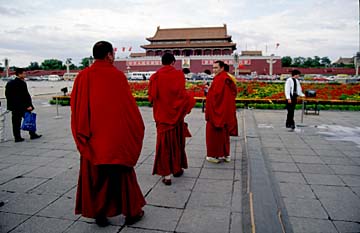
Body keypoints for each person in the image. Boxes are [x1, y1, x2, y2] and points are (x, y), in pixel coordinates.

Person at [71, 41, 146, 227]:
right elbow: (128, 110)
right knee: (123, 175)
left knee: (96, 177)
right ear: (109, 55)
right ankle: (131, 213)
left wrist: (84, 135)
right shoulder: (117, 76)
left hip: (92, 139)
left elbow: (77, 108)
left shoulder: (82, 76)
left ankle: (100, 214)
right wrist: (136, 129)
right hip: (115, 139)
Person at [148, 53, 195, 186]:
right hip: (177, 116)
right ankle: (177, 169)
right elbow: (182, 95)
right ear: (173, 62)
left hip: (162, 117)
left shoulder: (155, 77)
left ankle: (167, 175)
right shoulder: (179, 75)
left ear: (162, 62)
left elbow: (151, 97)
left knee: (164, 145)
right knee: (177, 142)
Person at [205, 61, 237, 163]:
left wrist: (208, 91)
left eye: (216, 68)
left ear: (222, 68)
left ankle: (213, 155)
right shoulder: (228, 78)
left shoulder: (219, 79)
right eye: (213, 68)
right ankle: (226, 155)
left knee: (213, 134)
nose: (214, 70)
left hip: (216, 112)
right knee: (224, 134)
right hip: (226, 112)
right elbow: (232, 93)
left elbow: (215, 97)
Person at [5, 68, 42, 142]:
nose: (25, 75)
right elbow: (25, 96)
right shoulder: (21, 83)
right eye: (24, 73)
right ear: (19, 74)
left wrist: (11, 105)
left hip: (15, 107)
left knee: (15, 122)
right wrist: (29, 105)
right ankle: (32, 134)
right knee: (29, 119)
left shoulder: (10, 83)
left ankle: (17, 137)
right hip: (23, 106)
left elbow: (7, 95)